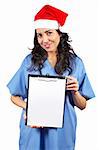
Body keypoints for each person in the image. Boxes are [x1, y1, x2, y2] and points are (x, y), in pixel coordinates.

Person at [7, 5, 95, 150]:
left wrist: (75, 91)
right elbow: (14, 96)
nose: (44, 40)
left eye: (49, 33)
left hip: (63, 130)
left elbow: (82, 105)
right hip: (33, 129)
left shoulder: (76, 63)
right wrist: (31, 109)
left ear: (60, 33)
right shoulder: (29, 62)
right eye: (39, 35)